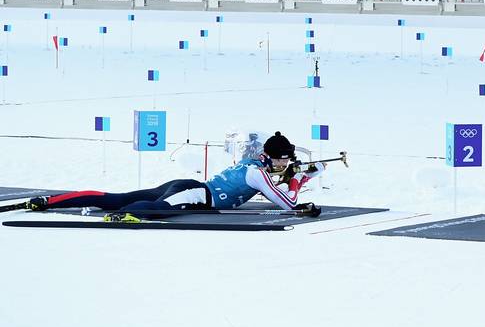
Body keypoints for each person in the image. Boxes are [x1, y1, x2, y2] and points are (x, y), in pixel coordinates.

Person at [21, 132, 324, 220]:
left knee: (119, 197)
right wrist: (300, 179)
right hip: (197, 195)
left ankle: (48, 201)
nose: (286, 165)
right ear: (271, 157)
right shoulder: (258, 173)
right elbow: (287, 202)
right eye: (284, 160)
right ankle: (120, 217)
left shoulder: (255, 165)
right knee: (155, 209)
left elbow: (279, 188)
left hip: (190, 187)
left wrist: (299, 175)